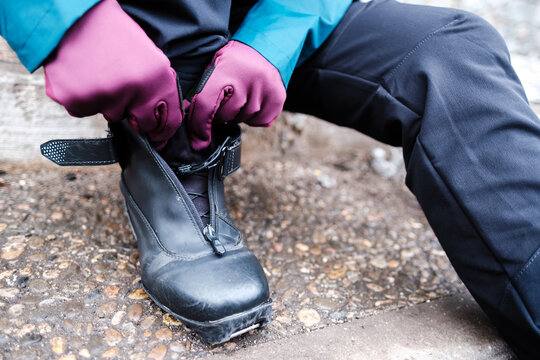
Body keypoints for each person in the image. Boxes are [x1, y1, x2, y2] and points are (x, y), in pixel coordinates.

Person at [1, 0, 539, 357]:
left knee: (450, 49)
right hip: (147, 22)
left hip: (265, 14)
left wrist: (275, 36)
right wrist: (66, 15)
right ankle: (169, 156)